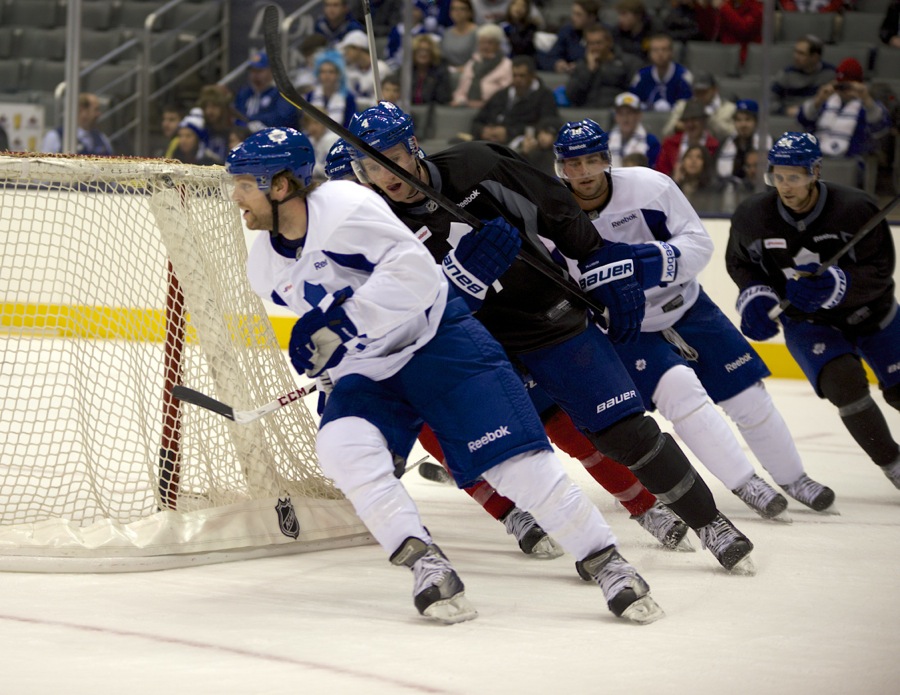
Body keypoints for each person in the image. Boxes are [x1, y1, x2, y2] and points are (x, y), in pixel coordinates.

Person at [226, 126, 665, 624]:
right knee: (342, 447)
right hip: (373, 369)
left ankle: (608, 563)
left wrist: (343, 323)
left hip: (441, 342)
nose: (237, 196)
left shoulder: (347, 207)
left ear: (280, 186)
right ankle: (426, 563)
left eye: (245, 184)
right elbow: (329, 323)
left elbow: (415, 277)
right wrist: (331, 364)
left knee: (514, 464)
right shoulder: (263, 266)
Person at [347, 102, 757, 574]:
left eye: (391, 157)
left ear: (414, 146)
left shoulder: (479, 165)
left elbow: (558, 211)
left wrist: (604, 264)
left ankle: (711, 523)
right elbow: (404, 312)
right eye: (370, 166)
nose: (385, 173)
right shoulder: (374, 223)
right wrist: (460, 282)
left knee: (625, 434)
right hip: (476, 344)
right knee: (515, 454)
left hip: (549, 318)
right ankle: (592, 551)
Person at [553, 119, 836, 518]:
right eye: (573, 164)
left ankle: (793, 477)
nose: (584, 173)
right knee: (681, 391)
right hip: (628, 329)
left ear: (607, 159)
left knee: (747, 395)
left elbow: (699, 243)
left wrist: (649, 261)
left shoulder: (650, 186)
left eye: (592, 161)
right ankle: (745, 484)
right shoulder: (553, 214)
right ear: (560, 167)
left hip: (690, 307)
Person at [726, 131, 900, 490]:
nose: (785, 186)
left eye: (795, 177)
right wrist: (757, 297)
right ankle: (894, 464)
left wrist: (838, 284)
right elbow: (741, 263)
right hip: (809, 323)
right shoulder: (753, 216)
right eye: (778, 176)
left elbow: (882, 267)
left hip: (875, 314)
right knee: (844, 385)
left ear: (815, 172)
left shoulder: (855, 208)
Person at [797, 57, 891, 163]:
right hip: (816, 158)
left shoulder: (867, 106)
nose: (843, 91)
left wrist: (866, 98)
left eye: (848, 86)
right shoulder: (827, 100)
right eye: (841, 85)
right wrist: (818, 100)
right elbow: (803, 119)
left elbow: (880, 128)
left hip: (848, 161)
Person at [470, 56, 558, 144]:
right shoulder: (502, 94)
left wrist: (509, 132)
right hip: (490, 142)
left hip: (522, 144)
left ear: (532, 76)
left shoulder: (545, 96)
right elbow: (477, 120)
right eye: (514, 75)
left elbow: (545, 127)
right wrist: (483, 131)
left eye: (522, 76)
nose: (517, 80)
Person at [564, 24, 640, 109]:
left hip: (618, 112)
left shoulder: (628, 63)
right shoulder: (581, 66)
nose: (595, 47)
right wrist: (589, 70)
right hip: (588, 113)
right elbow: (571, 95)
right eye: (591, 43)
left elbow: (636, 92)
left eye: (598, 43)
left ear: (609, 42)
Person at [770, 35, 836, 118]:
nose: (796, 57)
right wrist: (784, 110)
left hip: (818, 118)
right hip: (790, 118)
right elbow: (770, 101)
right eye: (795, 52)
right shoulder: (787, 74)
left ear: (815, 57)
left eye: (801, 53)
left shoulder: (830, 74)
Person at [234, 51, 299, 132]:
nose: (255, 75)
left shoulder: (281, 93)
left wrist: (253, 119)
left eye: (259, 71)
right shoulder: (244, 93)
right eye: (252, 71)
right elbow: (236, 116)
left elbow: (283, 117)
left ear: (271, 71)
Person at [627, 32, 692, 113]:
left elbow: (688, 104)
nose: (660, 54)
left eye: (664, 49)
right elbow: (631, 101)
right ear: (649, 53)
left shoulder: (683, 75)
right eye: (655, 50)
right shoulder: (642, 76)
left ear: (671, 52)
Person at [452, 23, 513, 108]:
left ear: (498, 45)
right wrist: (461, 100)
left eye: (490, 43)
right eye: (482, 42)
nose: (485, 46)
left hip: (493, 107)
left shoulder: (506, 65)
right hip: (466, 105)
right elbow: (460, 90)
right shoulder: (471, 63)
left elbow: (507, 92)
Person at [655, 97, 719, 177]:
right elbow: (660, 172)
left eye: (694, 120)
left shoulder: (715, 146)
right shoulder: (670, 143)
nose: (690, 124)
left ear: (703, 122)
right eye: (686, 120)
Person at [663, 72, 736, 142]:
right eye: (697, 91)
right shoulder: (683, 106)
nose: (700, 95)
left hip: (719, 149)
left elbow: (734, 134)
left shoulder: (729, 108)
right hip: (690, 148)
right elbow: (666, 132)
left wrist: (709, 119)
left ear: (714, 90)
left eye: (704, 91)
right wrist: (684, 126)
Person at [715, 98, 771, 186]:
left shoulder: (769, 143)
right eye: (738, 120)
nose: (743, 124)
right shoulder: (724, 144)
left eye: (748, 119)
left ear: (756, 122)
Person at [41, 93, 114, 156]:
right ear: (83, 111)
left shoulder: (102, 138)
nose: (99, 114)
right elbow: (44, 167)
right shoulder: (56, 137)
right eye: (96, 109)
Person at [338, 30, 391, 110]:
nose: (345, 54)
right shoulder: (349, 70)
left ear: (358, 49)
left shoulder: (381, 68)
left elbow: (384, 100)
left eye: (348, 50)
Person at [306, 49, 358, 128]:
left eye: (331, 72)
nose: (327, 76)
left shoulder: (348, 98)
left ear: (338, 74)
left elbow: (350, 126)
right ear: (318, 74)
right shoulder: (310, 95)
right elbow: (306, 123)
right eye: (323, 72)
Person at [545, 0, 600, 74]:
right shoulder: (567, 31)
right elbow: (552, 56)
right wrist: (557, 63)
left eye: (578, 15)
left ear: (591, 17)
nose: (573, 18)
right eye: (573, 13)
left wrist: (581, 66)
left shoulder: (604, 33)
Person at [608, 92, 661, 168]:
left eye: (629, 113)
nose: (625, 118)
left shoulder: (651, 142)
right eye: (621, 114)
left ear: (639, 115)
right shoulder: (605, 140)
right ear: (615, 117)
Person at [409, 34, 454, 106]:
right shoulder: (406, 72)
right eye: (420, 50)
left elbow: (443, 98)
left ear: (433, 53)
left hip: (432, 112)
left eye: (427, 50)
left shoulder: (440, 72)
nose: (423, 53)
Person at [442, 0, 479, 71]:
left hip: (470, 73)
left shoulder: (477, 32)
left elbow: (478, 59)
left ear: (470, 12)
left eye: (462, 9)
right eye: (454, 9)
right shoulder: (447, 32)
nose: (457, 12)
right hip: (448, 73)